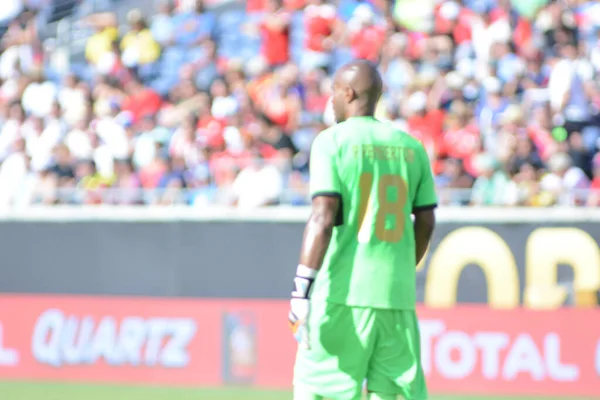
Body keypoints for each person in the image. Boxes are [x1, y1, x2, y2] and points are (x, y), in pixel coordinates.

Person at [288, 60, 437, 400]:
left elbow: (322, 217)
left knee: (321, 391)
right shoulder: (412, 147)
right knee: (396, 394)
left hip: (342, 294)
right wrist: (402, 266)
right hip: (396, 297)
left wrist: (301, 290)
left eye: (332, 93)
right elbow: (426, 221)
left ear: (348, 92)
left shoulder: (331, 142)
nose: (330, 101)